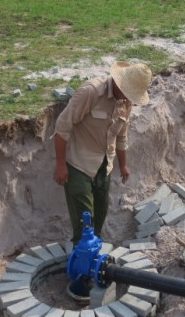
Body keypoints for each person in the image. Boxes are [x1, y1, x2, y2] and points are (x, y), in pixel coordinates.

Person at [53, 61, 153, 300]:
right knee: (84, 221)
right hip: (79, 164)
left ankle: (88, 258)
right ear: (119, 83)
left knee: (100, 214)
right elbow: (62, 127)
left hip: (102, 167)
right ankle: (79, 277)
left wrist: (123, 164)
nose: (130, 99)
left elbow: (122, 136)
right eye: (129, 93)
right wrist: (60, 164)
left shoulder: (125, 103)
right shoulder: (90, 93)